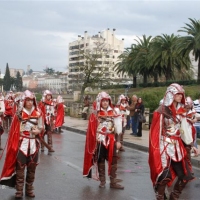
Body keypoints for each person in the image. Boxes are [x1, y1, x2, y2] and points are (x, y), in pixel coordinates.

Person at [148, 83, 194, 200]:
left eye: (181, 94)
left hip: (178, 147)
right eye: (177, 94)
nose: (180, 96)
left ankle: (174, 197)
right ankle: (160, 197)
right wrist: (156, 150)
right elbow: (155, 132)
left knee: (186, 175)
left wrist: (190, 144)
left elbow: (184, 130)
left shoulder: (181, 110)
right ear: (171, 94)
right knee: (164, 176)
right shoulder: (161, 111)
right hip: (164, 146)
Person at [0, 90, 44, 199]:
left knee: (32, 168)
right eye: (27, 100)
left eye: (31, 100)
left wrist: (38, 131)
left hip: (34, 144)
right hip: (22, 144)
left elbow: (41, 126)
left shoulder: (38, 113)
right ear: (24, 101)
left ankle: (29, 189)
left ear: (34, 101)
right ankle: (19, 190)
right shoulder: (19, 114)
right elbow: (14, 131)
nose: (29, 102)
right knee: (20, 167)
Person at [83, 91, 124, 189]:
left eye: (107, 101)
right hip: (100, 140)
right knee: (101, 160)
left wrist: (118, 141)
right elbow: (92, 130)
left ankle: (113, 182)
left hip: (111, 139)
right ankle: (102, 181)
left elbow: (118, 128)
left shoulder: (114, 112)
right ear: (100, 102)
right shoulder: (95, 114)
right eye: (103, 101)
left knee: (113, 160)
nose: (105, 103)